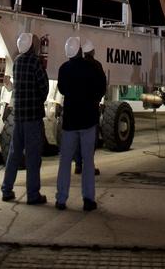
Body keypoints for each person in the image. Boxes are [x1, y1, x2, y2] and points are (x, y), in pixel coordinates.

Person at [55, 35, 106, 212]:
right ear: (80, 51)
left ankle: (61, 199)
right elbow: (101, 88)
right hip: (88, 121)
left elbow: (62, 89)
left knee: (65, 161)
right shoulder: (92, 68)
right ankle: (88, 199)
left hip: (70, 122)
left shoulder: (64, 69)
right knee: (88, 161)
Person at [0, 31, 49, 205]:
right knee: (33, 156)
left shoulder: (17, 62)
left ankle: (7, 189)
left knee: (14, 154)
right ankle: (33, 195)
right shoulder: (35, 63)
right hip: (33, 117)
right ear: (31, 47)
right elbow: (44, 88)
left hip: (19, 116)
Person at [75, 39, 102, 176]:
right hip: (91, 108)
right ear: (92, 52)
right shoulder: (96, 65)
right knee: (90, 139)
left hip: (78, 108)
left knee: (78, 138)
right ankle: (88, 166)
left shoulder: (77, 65)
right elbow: (102, 85)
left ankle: (78, 165)